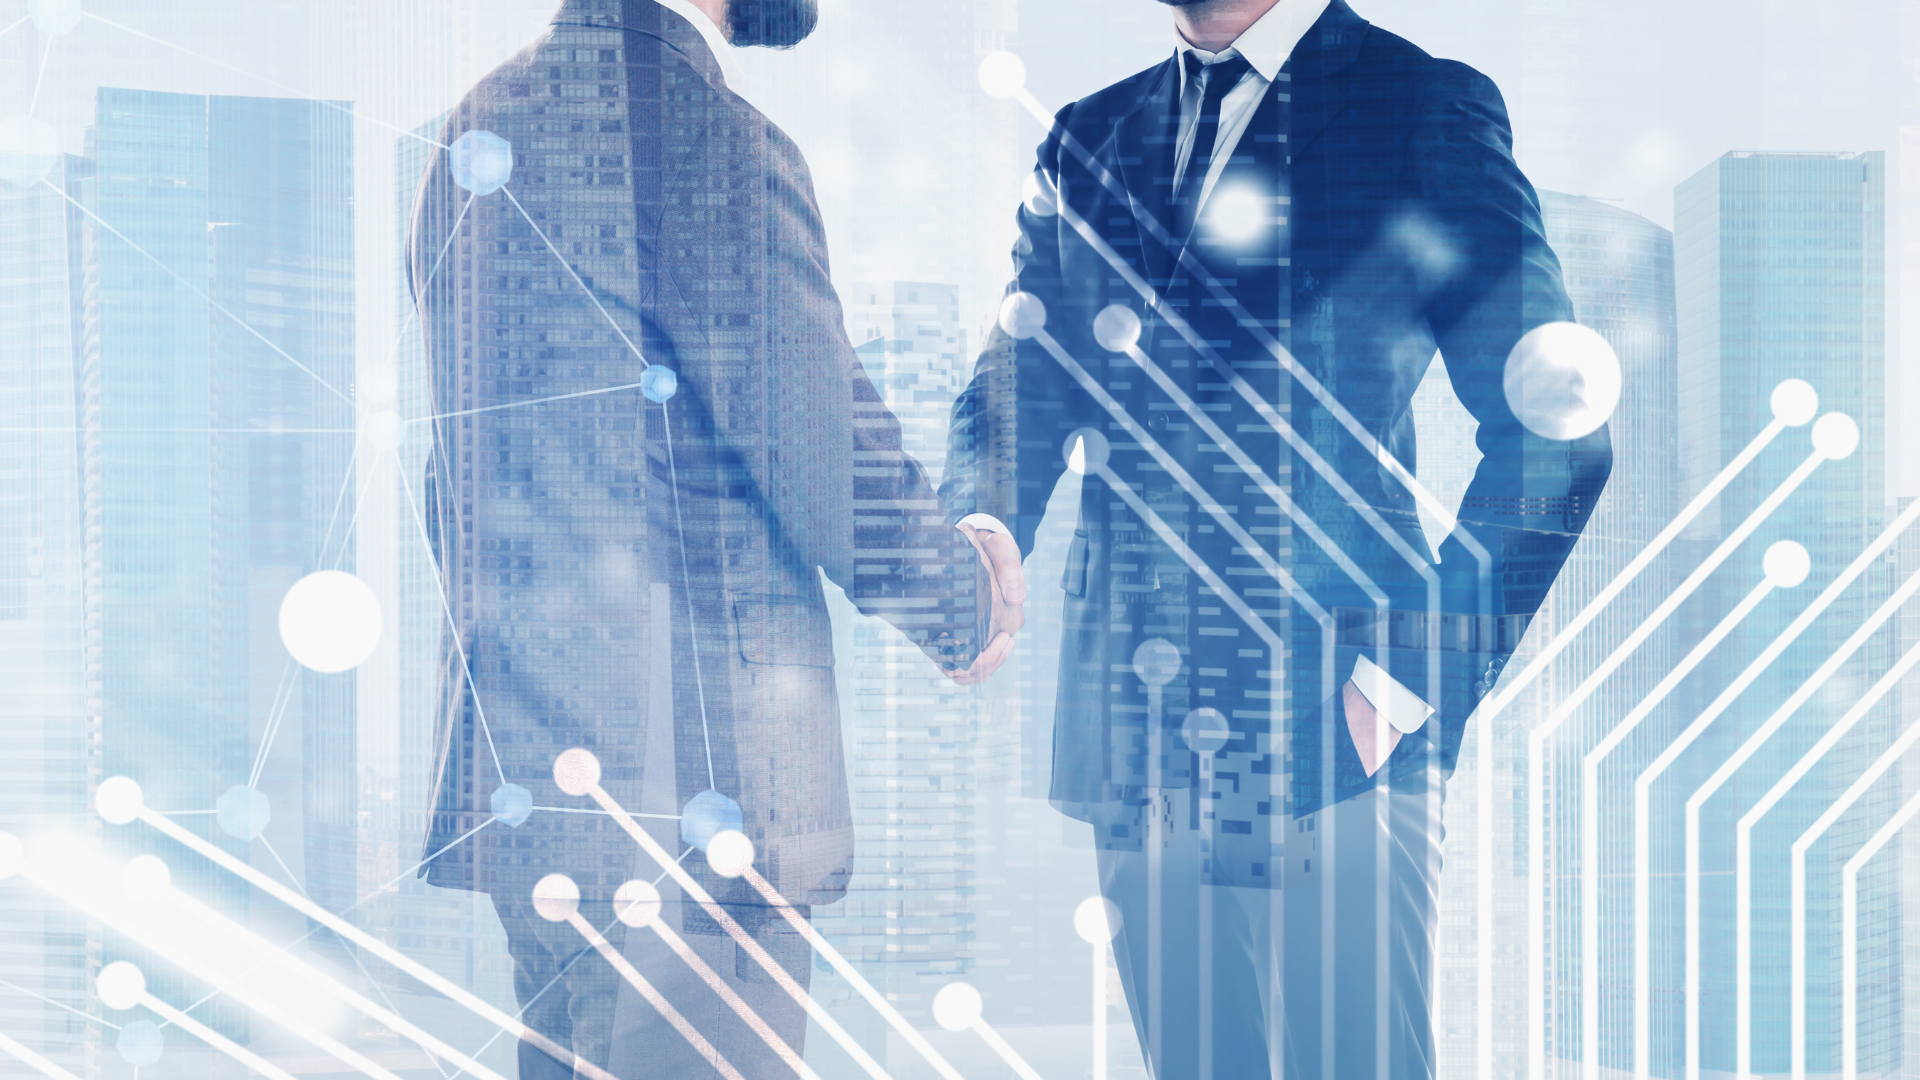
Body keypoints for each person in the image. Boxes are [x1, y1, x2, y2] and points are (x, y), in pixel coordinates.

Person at [941, 0, 1611, 1076]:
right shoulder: (1088, 136)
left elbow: (1557, 437)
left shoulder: (1419, 105)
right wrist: (984, 522)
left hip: (1338, 724)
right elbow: (1020, 381)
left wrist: (1400, 682)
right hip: (1138, 736)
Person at [406, 1, 1022, 1076]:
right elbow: (817, 439)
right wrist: (964, 597)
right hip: (698, 807)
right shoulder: (706, 134)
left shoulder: (470, 132)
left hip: (540, 807)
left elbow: (448, 483)